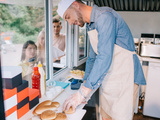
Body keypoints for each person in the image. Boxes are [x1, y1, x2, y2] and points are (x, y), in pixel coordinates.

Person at [57, 0, 146, 120]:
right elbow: (93, 58)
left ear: (75, 4)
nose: (70, 23)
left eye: (68, 17)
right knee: (106, 116)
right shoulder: (90, 25)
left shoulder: (105, 17)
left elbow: (104, 57)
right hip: (109, 80)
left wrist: (83, 93)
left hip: (124, 79)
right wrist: (84, 84)